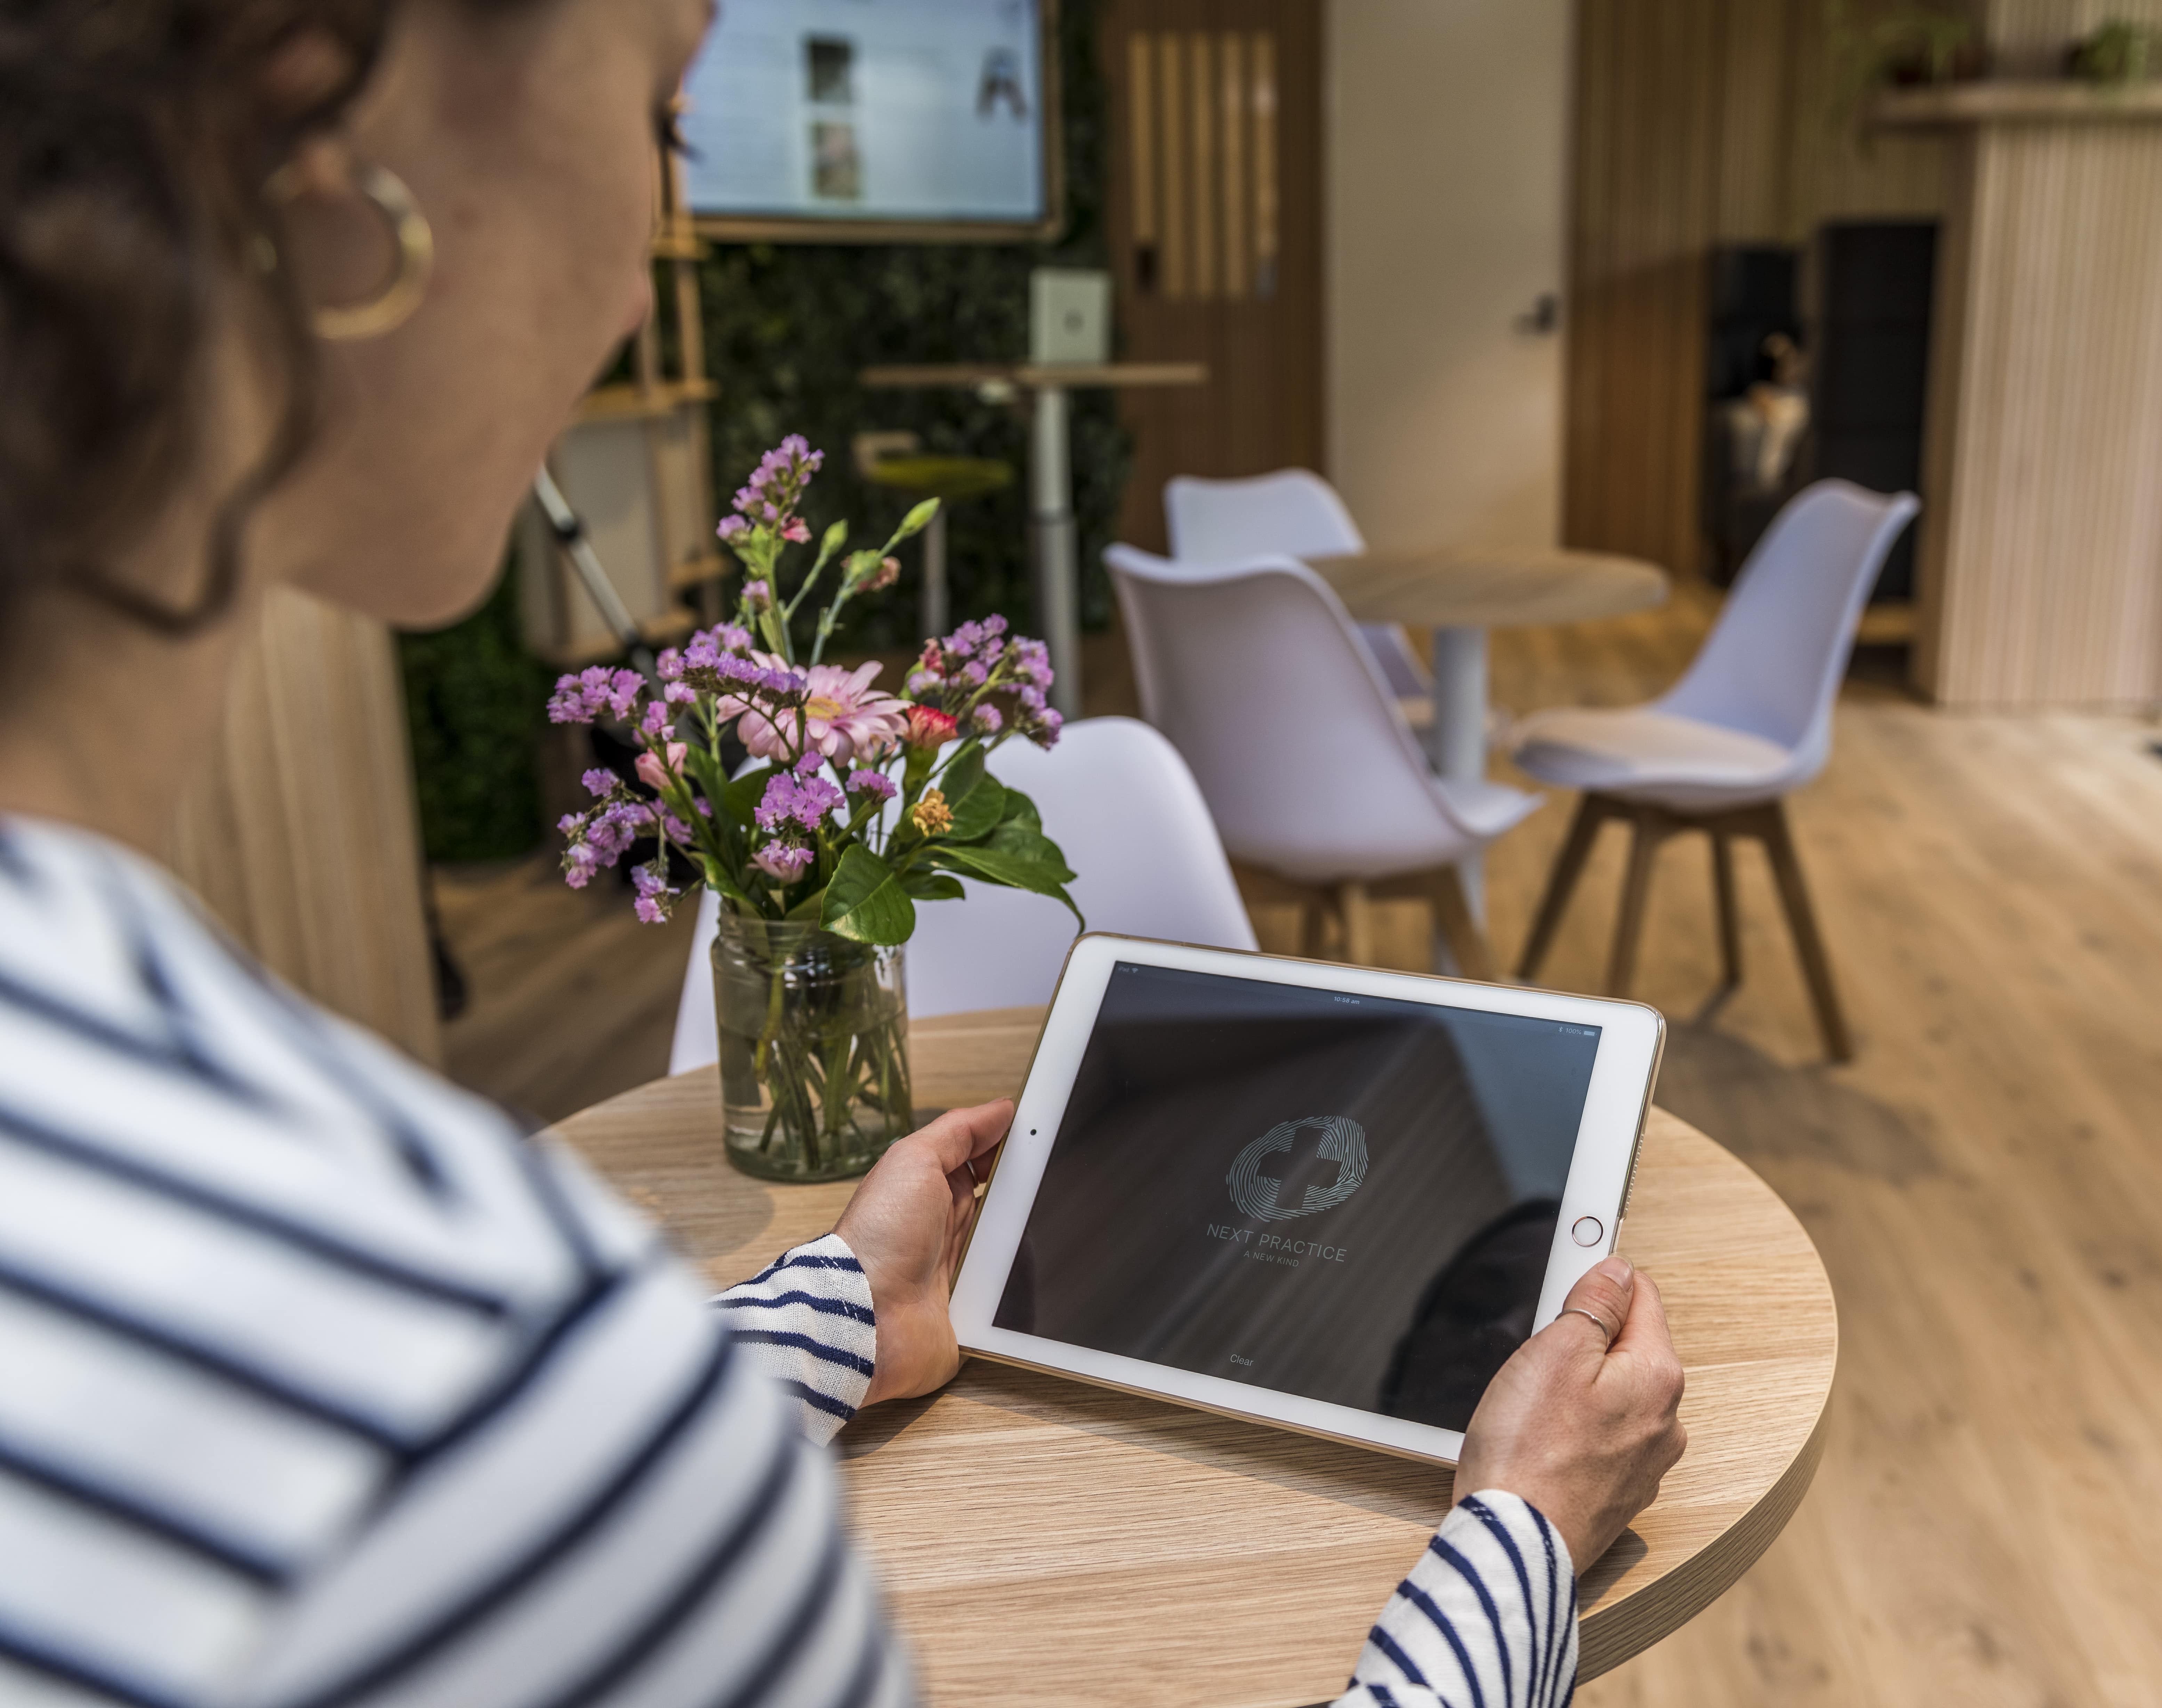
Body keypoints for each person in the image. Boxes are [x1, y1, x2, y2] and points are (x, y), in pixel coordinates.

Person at [0, 2, 1690, 1705]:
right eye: (662, 120)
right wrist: (1519, 1539)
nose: (638, 290)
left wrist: (832, 1311)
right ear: (321, 128)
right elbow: (533, 1479)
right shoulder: (481, 1390)